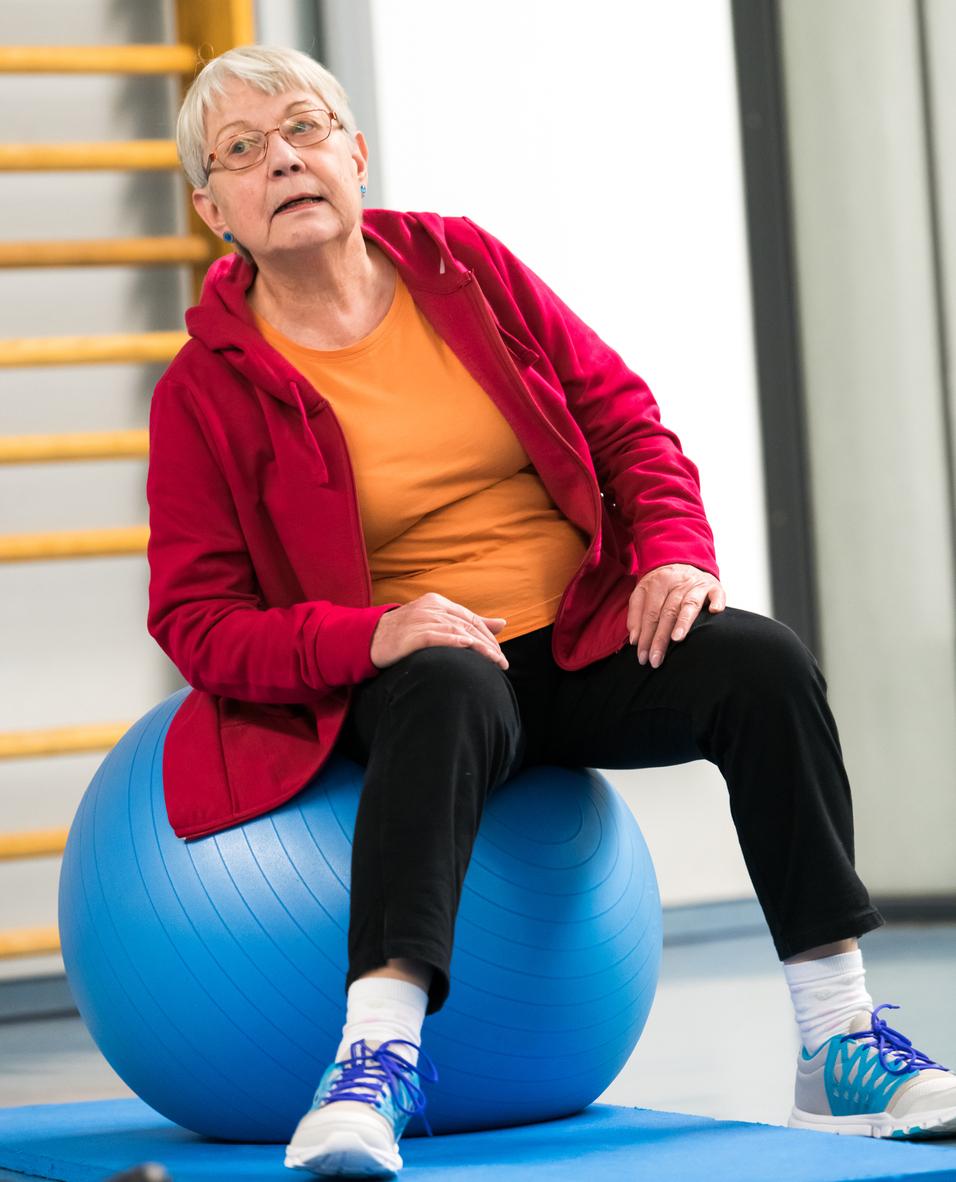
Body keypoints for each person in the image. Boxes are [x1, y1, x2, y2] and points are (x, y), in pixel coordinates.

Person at [146, 43, 956, 1178]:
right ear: (211, 206)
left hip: (578, 640)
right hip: (409, 676)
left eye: (303, 126)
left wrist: (674, 552)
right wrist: (371, 631)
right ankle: (373, 1062)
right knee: (445, 678)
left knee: (759, 662)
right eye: (242, 150)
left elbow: (623, 420)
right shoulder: (204, 389)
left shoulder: (460, 268)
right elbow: (195, 619)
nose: (281, 157)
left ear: (354, 152)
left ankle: (838, 1033)